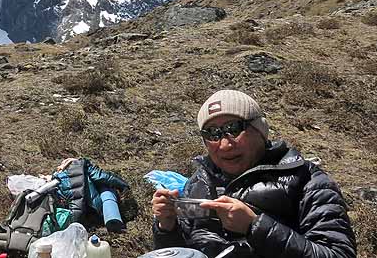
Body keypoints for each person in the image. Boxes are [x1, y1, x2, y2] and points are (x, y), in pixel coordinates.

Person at [150, 89, 356, 258]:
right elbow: (184, 251)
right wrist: (167, 227)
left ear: (260, 130)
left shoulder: (308, 181)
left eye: (234, 128)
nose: (225, 144)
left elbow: (338, 254)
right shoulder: (199, 182)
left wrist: (255, 226)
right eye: (212, 133)